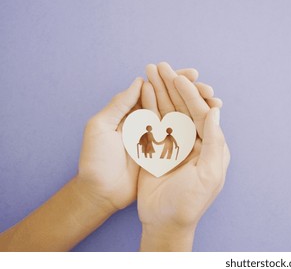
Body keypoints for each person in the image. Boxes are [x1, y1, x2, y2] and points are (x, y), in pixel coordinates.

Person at [0, 62, 229, 252]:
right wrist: (93, 194)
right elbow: (153, 143)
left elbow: (161, 144)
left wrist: (167, 229)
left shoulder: (158, 137)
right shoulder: (148, 136)